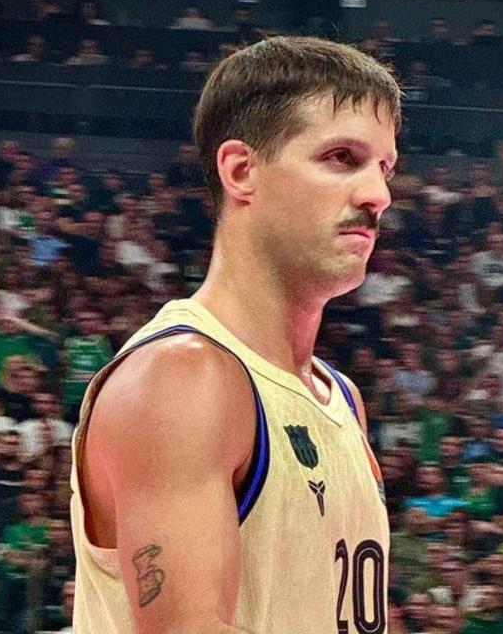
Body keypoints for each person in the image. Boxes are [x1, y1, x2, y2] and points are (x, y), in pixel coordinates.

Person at [70, 35, 401, 633]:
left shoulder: (342, 398)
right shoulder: (181, 379)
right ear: (242, 170)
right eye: (341, 158)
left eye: (384, 167)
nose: (378, 195)